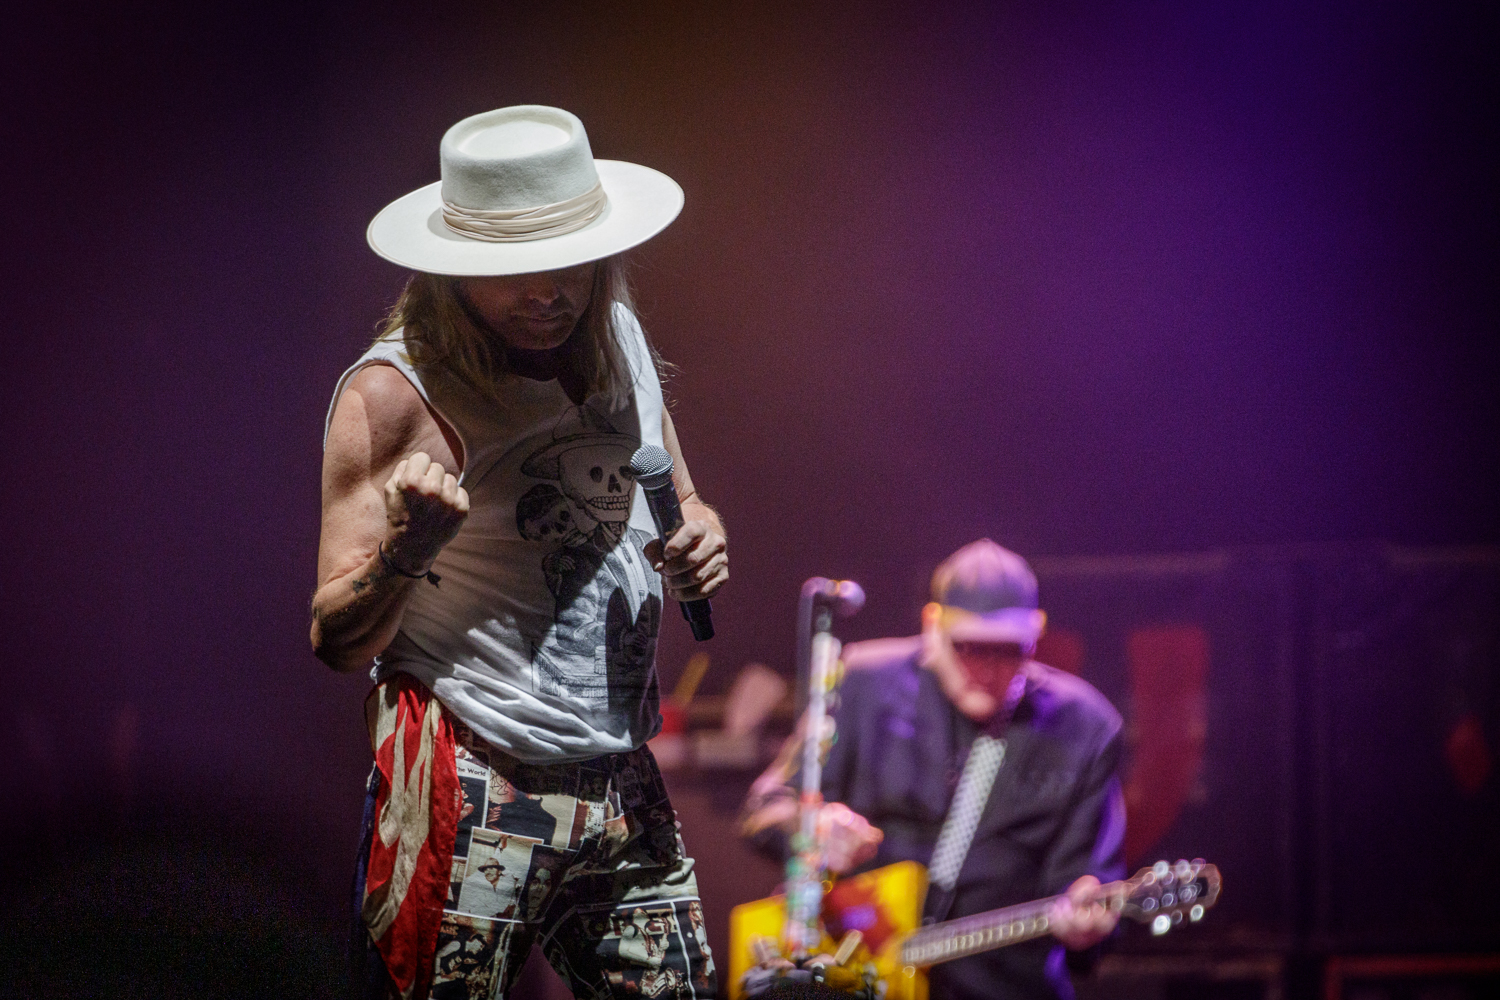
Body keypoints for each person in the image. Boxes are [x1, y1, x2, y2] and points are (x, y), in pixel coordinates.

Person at [313, 105, 727, 1000]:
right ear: (453, 271)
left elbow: (680, 497)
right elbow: (335, 640)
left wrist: (701, 533)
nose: (547, 292)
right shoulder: (394, 394)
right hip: (478, 766)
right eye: (512, 271)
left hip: (618, 766)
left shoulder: (616, 335)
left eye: (568, 263)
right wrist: (404, 552)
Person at [741, 540, 1123, 1000]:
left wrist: (1089, 921)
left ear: (1036, 637)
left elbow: (1091, 882)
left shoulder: (1085, 727)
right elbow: (764, 807)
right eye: (968, 648)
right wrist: (814, 829)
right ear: (931, 627)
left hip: (1004, 986)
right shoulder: (862, 681)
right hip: (852, 973)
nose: (987, 670)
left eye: (1009, 650)